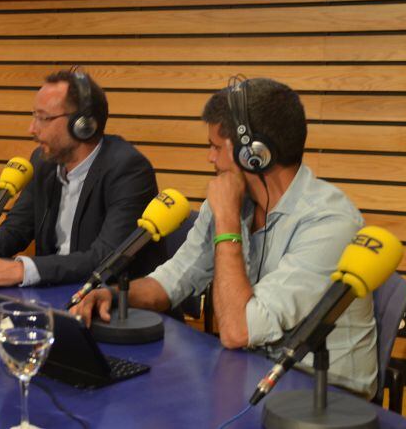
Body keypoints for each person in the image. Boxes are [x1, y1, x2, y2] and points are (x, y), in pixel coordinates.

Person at [71, 77, 378, 397]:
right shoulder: (233, 200)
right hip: (252, 375)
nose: (210, 159)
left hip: (322, 397)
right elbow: (174, 279)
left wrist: (228, 223)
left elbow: (237, 331)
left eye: (216, 147)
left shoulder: (331, 224)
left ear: (255, 154)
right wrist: (117, 295)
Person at [0, 69, 164, 287]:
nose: (31, 129)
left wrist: (23, 269)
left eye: (43, 118)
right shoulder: (43, 162)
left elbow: (106, 257)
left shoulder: (128, 170)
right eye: (34, 117)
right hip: (53, 292)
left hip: (111, 301)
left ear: (82, 125)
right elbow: (16, 229)